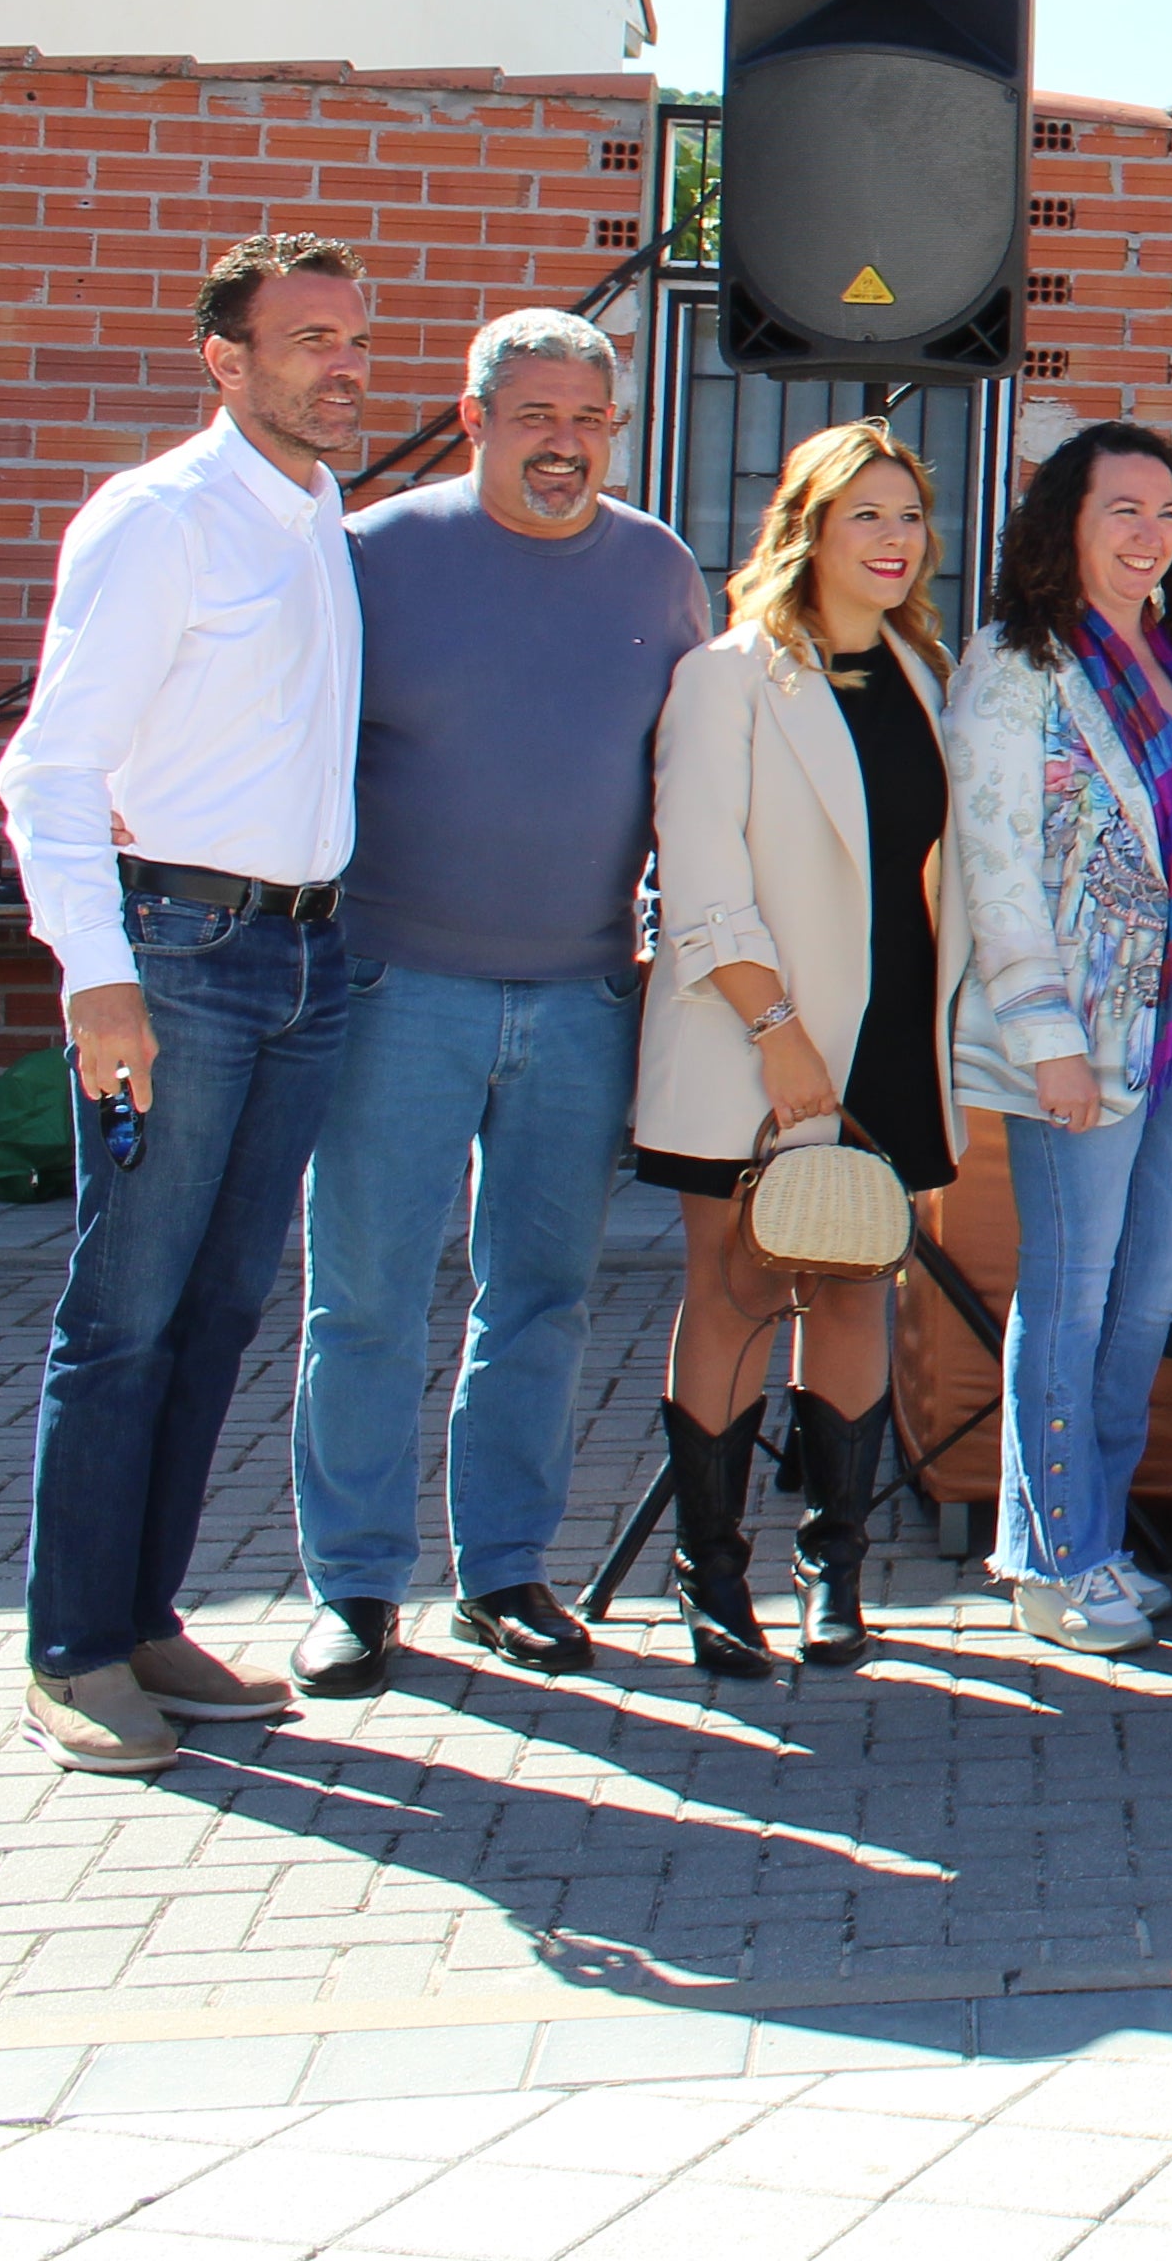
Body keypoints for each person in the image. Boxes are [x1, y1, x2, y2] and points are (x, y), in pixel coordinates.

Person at [0, 237, 378, 1774]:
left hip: (303, 962)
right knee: (123, 1319)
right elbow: (51, 770)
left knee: (219, 1313)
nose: (342, 365)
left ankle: (145, 1618)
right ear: (225, 360)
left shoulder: (318, 511)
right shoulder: (159, 520)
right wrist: (99, 981)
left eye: (354, 337)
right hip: (177, 963)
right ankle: (71, 1653)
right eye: (307, 339)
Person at [290, 310, 710, 1699]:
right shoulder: (372, 559)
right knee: (366, 1303)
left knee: (540, 1300)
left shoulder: (657, 571)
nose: (567, 443)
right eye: (536, 416)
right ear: (472, 421)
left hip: (586, 992)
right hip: (394, 987)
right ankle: (353, 1589)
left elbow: (694, 786)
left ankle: (505, 1574)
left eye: (591, 419)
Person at [638, 420, 974, 1673]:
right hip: (749, 1033)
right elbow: (701, 876)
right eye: (866, 517)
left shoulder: (923, 673)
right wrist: (775, 1031)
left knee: (851, 1284)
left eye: (909, 517)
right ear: (808, 530)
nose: (895, 541)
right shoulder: (729, 676)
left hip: (885, 1034)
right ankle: (709, 1574)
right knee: (731, 1293)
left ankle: (834, 1568)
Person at [951, 420, 1172, 1658]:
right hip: (1079, 1029)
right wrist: (1043, 1034)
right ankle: (1052, 1556)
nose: (1149, 536)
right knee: (1074, 1291)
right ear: (1063, 524)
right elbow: (997, 868)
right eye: (1121, 511)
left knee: (1147, 1296)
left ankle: (1094, 1528)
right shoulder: (1016, 666)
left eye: (1167, 515)